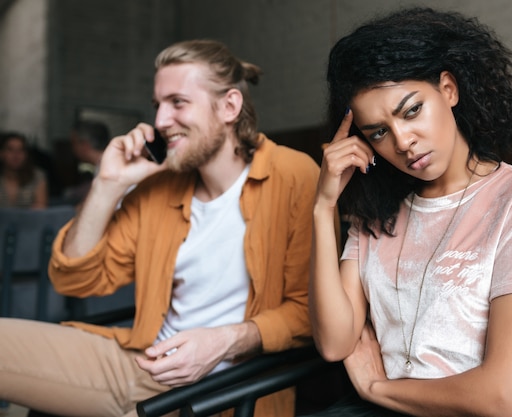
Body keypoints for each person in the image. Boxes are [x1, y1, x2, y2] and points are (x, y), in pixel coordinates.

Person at [0, 39, 320, 417]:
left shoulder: (294, 175)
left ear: (230, 106)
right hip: (138, 363)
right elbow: (76, 280)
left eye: (178, 102)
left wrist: (226, 341)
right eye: (158, 105)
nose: (160, 122)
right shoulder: (158, 186)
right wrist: (108, 184)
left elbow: (310, 312)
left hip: (226, 389)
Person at [308, 7, 512, 417]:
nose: (402, 141)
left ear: (448, 89)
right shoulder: (376, 212)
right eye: (378, 132)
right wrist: (323, 205)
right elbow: (334, 342)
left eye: (411, 110)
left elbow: (507, 399)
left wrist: (377, 388)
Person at [62, 119, 111, 204]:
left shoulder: (107, 169)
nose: (72, 148)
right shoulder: (103, 164)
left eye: (73, 143)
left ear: (85, 145)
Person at [0, 131, 48, 208]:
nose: (16, 155)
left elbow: (40, 210)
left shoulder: (37, 176)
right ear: (1, 153)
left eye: (20, 150)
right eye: (10, 149)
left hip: (30, 219)